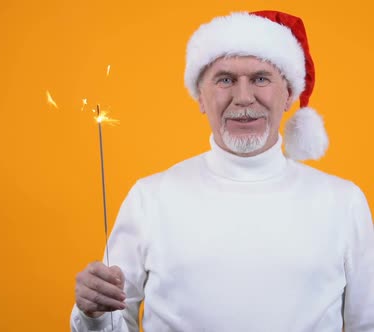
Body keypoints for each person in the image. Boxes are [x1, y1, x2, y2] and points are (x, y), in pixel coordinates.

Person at [70, 10, 374, 332]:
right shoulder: (150, 197)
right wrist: (92, 314)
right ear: (200, 96)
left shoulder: (343, 202)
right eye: (225, 79)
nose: (243, 98)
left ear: (288, 95)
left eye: (260, 78)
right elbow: (112, 322)